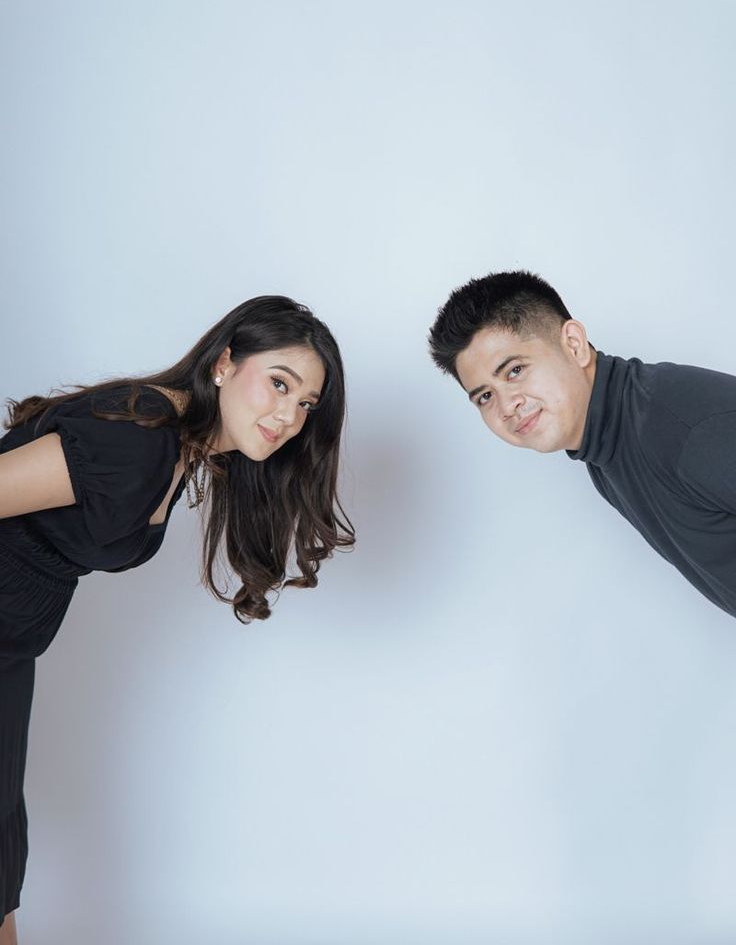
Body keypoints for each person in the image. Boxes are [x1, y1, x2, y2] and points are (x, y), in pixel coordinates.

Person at [0, 295, 355, 942]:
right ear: (224, 363)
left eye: (305, 405)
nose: (288, 415)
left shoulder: (178, 451)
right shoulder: (139, 445)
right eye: (280, 383)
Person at [428, 269, 736, 619]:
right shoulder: (603, 445)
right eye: (485, 396)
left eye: (514, 371)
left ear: (573, 344)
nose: (506, 406)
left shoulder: (680, 426)